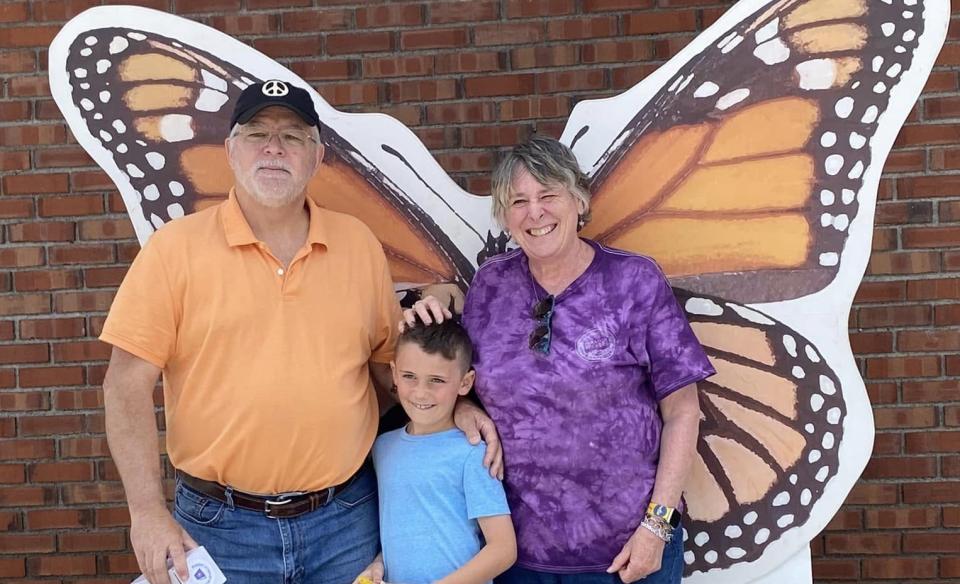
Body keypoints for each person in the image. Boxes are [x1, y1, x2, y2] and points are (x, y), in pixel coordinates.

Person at [100, 79, 501, 584]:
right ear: (229, 150)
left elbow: (387, 369)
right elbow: (125, 386)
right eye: (257, 133)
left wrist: (455, 405)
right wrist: (145, 512)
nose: (273, 148)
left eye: (293, 136)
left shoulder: (356, 244)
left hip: (345, 521)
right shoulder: (172, 252)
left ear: (316, 157)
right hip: (220, 530)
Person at [408, 136, 715, 584]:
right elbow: (462, 382)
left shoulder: (633, 280)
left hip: (627, 553)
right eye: (518, 201)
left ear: (578, 200)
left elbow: (683, 410)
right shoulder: (491, 286)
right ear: (505, 214)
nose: (535, 213)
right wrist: (466, 408)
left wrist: (657, 526)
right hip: (517, 555)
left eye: (548, 195)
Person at [355, 317, 516, 584]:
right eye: (409, 377)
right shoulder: (382, 448)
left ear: (465, 383)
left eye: (436, 380)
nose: (420, 393)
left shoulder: (473, 453)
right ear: (394, 373)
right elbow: (407, 533)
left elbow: (503, 549)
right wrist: (378, 564)